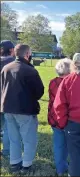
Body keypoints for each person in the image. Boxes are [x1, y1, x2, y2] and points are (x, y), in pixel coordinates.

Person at [0, 44, 44, 175]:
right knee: (29, 139)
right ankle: (26, 165)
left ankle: (14, 162)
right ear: (27, 54)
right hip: (25, 110)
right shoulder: (30, 71)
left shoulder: (6, 68)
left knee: (14, 138)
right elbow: (39, 92)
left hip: (8, 108)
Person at [48, 58, 72, 176]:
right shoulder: (71, 82)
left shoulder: (53, 82)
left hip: (54, 116)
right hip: (68, 118)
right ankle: (70, 167)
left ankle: (60, 169)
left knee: (58, 144)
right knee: (71, 145)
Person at [0, 40, 15, 157]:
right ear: (11, 50)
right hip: (6, 98)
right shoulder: (13, 62)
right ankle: (6, 151)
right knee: (7, 127)